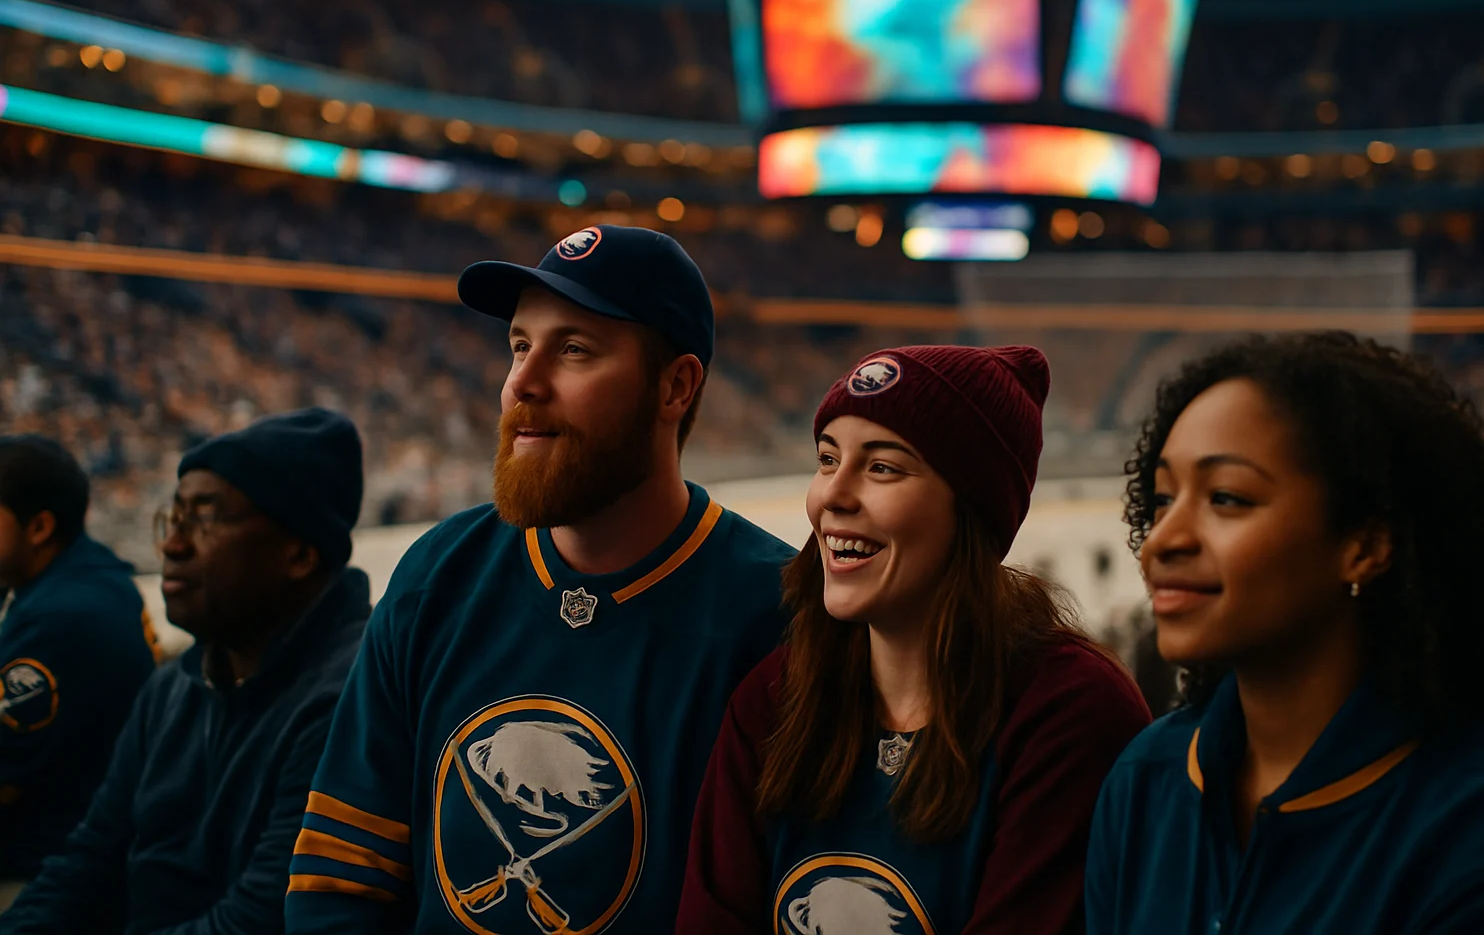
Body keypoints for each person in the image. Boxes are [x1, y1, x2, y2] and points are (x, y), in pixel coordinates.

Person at [285, 226, 792, 933]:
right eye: (520, 345)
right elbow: (341, 879)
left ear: (676, 387)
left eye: (574, 349)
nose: (523, 380)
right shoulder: (438, 574)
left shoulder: (779, 615)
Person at [677, 345, 1151, 934]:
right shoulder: (775, 696)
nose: (833, 496)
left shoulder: (1069, 712)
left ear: (972, 507)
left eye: (882, 467)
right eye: (827, 460)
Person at [1087, 332, 1484, 934]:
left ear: (1366, 545)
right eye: (1163, 499)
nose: (1164, 539)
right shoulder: (1144, 779)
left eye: (1226, 498)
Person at [1, 408, 371, 935]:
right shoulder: (174, 684)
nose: (172, 545)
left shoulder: (351, 698)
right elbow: (89, 858)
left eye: (204, 518)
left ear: (300, 554)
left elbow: (258, 919)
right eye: (174, 518)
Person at [0, 437, 159, 907]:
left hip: (42, 873)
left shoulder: (55, 618)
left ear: (40, 527)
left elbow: (5, 779)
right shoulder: (98, 577)